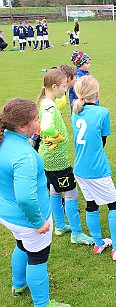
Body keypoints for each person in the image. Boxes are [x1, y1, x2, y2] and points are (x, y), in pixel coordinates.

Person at [0, 98, 70, 307]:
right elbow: (25, 197)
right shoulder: (24, 156)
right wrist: (38, 222)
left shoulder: (5, 140)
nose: (39, 122)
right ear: (22, 126)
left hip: (8, 213)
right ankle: (43, 303)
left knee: (22, 245)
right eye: (36, 119)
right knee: (38, 257)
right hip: (28, 219)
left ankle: (19, 284)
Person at [72, 76, 116, 261]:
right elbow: (102, 141)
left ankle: (98, 242)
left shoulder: (75, 110)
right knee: (114, 205)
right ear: (96, 93)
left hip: (80, 168)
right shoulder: (102, 112)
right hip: (96, 169)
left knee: (92, 204)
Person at [38, 68, 94, 245]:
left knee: (55, 191)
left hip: (48, 159)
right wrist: (56, 136)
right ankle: (77, 233)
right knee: (71, 194)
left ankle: (60, 225)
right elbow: (46, 126)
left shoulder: (46, 101)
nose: (65, 90)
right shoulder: (48, 105)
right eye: (63, 86)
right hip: (57, 161)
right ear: (54, 86)